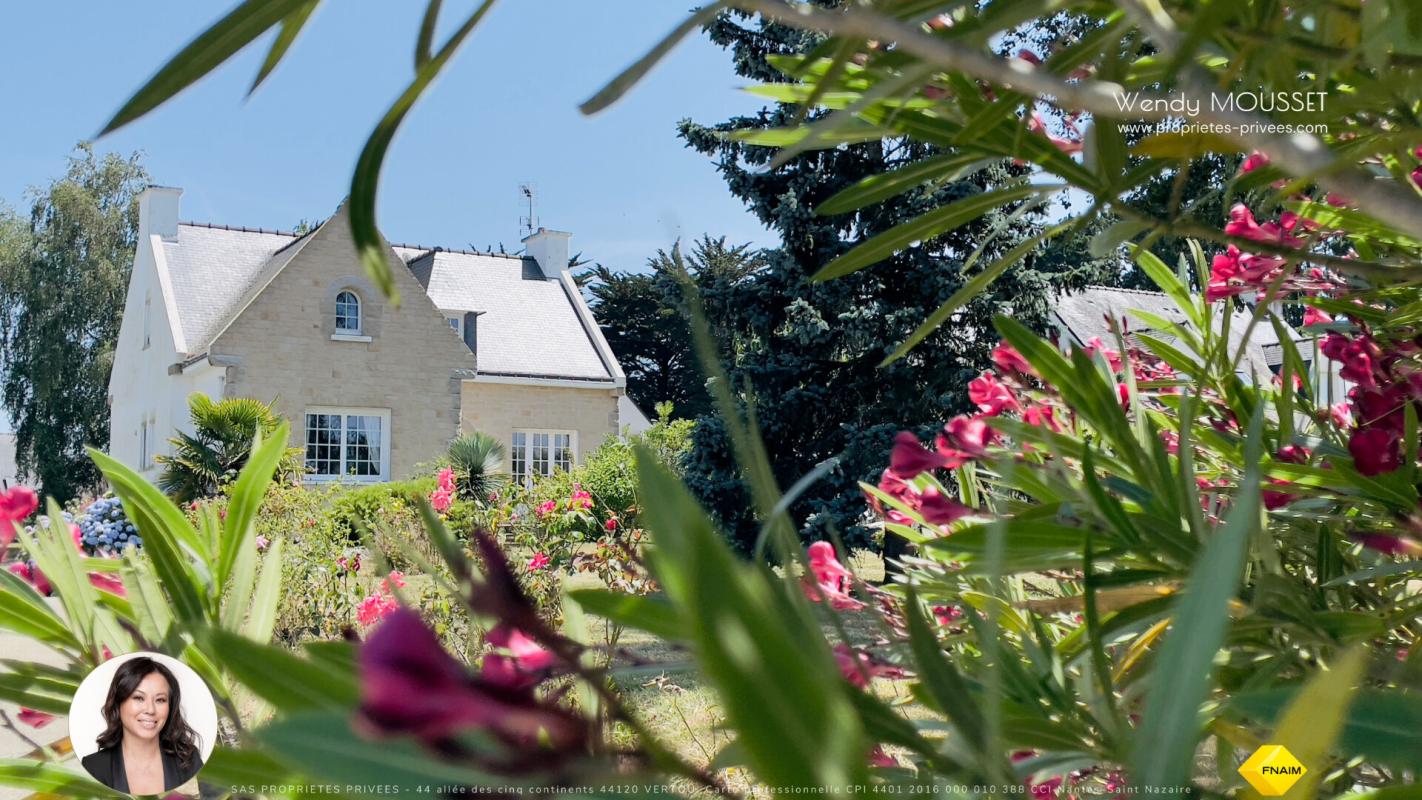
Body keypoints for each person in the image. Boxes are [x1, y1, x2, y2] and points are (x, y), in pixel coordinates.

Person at [80, 657, 204, 794]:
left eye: (160, 700)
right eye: (138, 698)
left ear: (170, 707)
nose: (150, 709)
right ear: (118, 703)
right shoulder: (93, 767)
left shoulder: (188, 760)